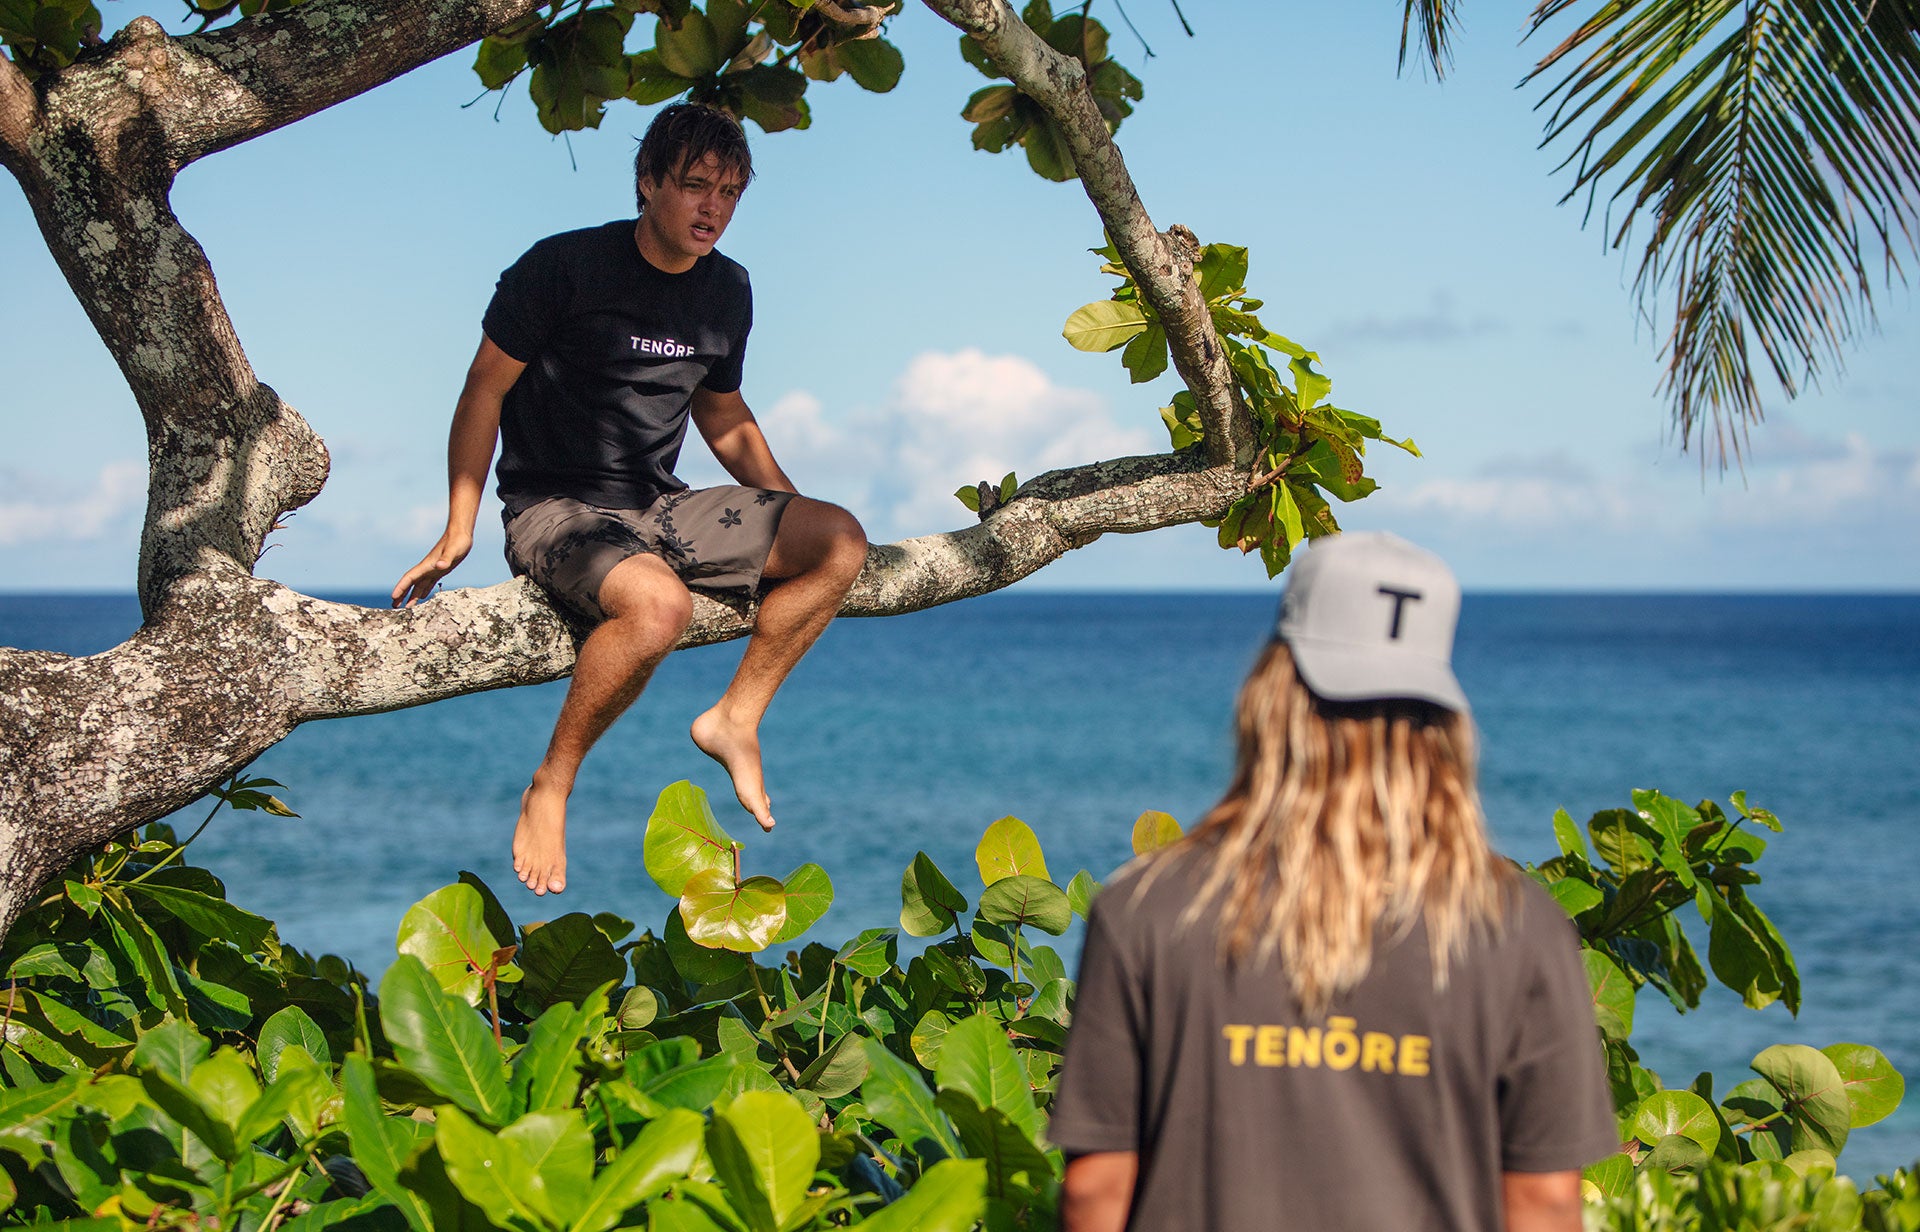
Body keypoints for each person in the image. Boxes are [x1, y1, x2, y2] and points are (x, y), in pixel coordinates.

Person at [1048, 532, 1618, 1232]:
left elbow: (1096, 1192)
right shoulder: (1517, 926)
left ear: (1271, 690)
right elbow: (1545, 1203)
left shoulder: (1149, 908)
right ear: (1442, 718)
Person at [392, 103, 867, 897]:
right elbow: (483, 391)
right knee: (658, 610)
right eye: (694, 186)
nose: (712, 206)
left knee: (842, 541)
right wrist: (458, 528)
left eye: (730, 192)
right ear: (648, 183)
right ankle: (553, 782)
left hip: (660, 505)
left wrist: (787, 512)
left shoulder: (728, 291)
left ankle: (735, 719)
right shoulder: (561, 268)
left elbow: (722, 410)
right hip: (556, 509)